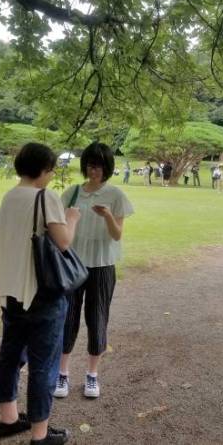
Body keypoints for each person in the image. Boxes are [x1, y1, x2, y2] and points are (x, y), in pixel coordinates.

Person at [0, 142, 80, 444]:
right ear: (44, 170)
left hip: (11, 291)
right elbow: (64, 242)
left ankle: (9, 418)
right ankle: (40, 435)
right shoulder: (46, 197)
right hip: (41, 293)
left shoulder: (9, 196)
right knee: (44, 364)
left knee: (10, 355)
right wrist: (72, 218)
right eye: (51, 170)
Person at [56, 143, 134, 400]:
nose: (94, 170)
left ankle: (92, 375)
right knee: (67, 317)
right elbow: (57, 227)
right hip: (73, 264)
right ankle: (62, 374)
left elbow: (117, 234)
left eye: (99, 165)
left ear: (107, 167)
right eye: (90, 164)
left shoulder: (115, 195)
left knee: (97, 317)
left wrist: (108, 216)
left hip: (102, 266)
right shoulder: (72, 193)